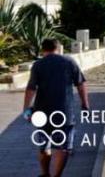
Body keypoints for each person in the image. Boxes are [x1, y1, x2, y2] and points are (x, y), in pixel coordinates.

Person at [22, 38, 89, 177]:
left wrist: (26, 110)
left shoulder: (38, 65)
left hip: (42, 113)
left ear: (43, 49)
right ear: (58, 48)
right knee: (62, 147)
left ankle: (45, 173)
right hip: (64, 112)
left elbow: (31, 89)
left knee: (44, 145)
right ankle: (57, 175)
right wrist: (85, 104)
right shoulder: (69, 62)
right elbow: (80, 84)